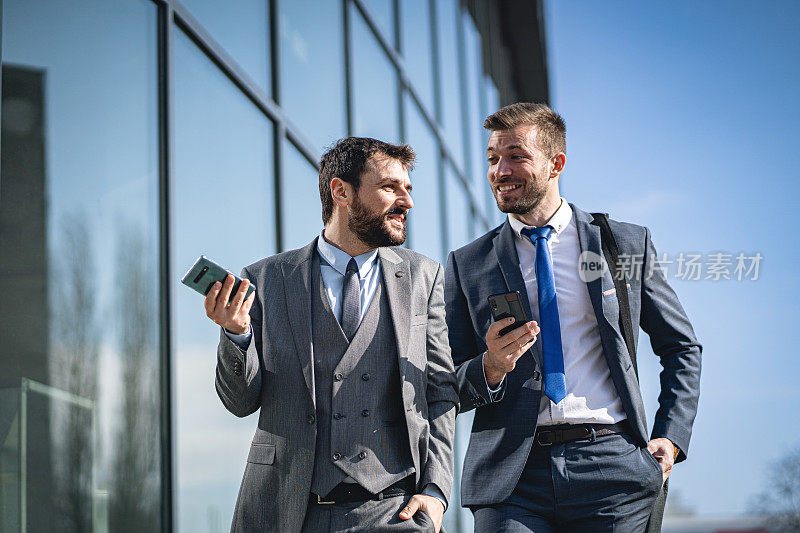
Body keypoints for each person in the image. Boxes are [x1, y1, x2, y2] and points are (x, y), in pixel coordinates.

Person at [444, 103, 701, 531]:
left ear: (555, 163)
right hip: (512, 480)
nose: (499, 171)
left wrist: (671, 436)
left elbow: (681, 347)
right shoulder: (468, 263)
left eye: (516, 157)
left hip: (612, 467)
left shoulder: (622, 243)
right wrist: (489, 368)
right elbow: (445, 379)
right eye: (492, 159)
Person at [204, 137, 458, 532]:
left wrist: (437, 490)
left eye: (408, 189)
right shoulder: (267, 279)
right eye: (390, 187)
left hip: (394, 512)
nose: (406, 201)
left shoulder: (424, 277)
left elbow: (440, 389)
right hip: (283, 512)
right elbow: (240, 402)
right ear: (341, 191)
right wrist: (237, 334)